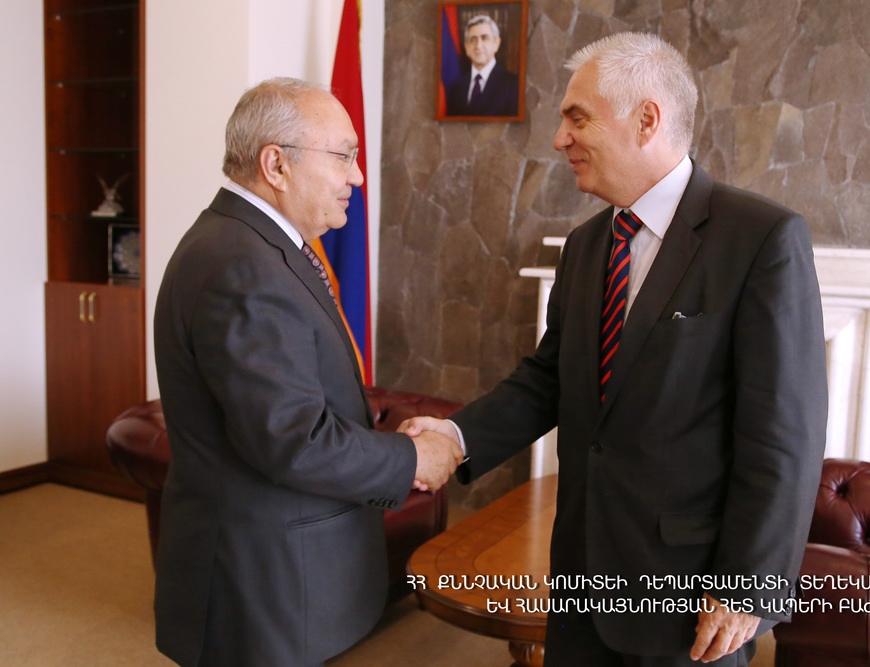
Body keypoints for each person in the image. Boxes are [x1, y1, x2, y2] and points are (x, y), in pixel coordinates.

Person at [403, 33, 828, 667]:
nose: (559, 139)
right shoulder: (584, 247)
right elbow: (548, 378)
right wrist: (456, 438)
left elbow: (784, 435)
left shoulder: (761, 240)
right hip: (582, 586)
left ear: (646, 120)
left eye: (577, 119)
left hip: (688, 601)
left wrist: (750, 584)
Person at [152, 77, 463, 667]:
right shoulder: (241, 265)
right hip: (259, 579)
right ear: (276, 164)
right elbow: (293, 440)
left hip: (273, 570)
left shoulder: (255, 245)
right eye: (343, 156)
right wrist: (410, 459)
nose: (357, 176)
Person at [445, 14, 519, 117]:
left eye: (484, 38)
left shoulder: (514, 85)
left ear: (496, 44)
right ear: (467, 48)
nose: (478, 46)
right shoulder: (456, 87)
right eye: (473, 39)